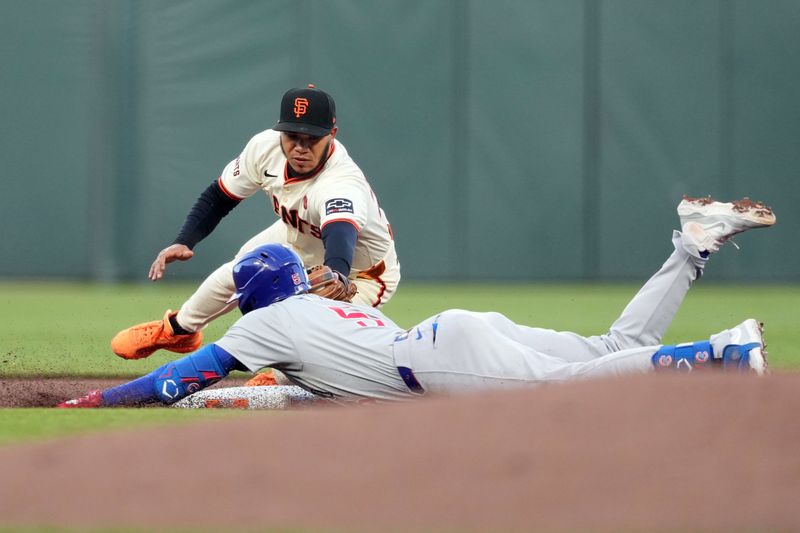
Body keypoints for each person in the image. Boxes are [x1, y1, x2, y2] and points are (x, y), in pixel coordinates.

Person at [59, 196, 776, 408]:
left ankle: (718, 353)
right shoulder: (325, 311)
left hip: (440, 360)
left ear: (249, 301)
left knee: (568, 389)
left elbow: (180, 376)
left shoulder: (267, 325)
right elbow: (289, 391)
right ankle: (691, 245)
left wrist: (101, 402)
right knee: (607, 352)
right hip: (447, 337)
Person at [110, 84, 400, 367]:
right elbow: (220, 196)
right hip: (298, 236)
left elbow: (341, 234)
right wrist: (185, 240)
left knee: (314, 336)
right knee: (242, 269)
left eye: (312, 137)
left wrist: (336, 275)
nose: (300, 147)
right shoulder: (265, 147)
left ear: (332, 135)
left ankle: (278, 379)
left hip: (363, 272)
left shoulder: (341, 183)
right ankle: (179, 331)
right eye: (292, 135)